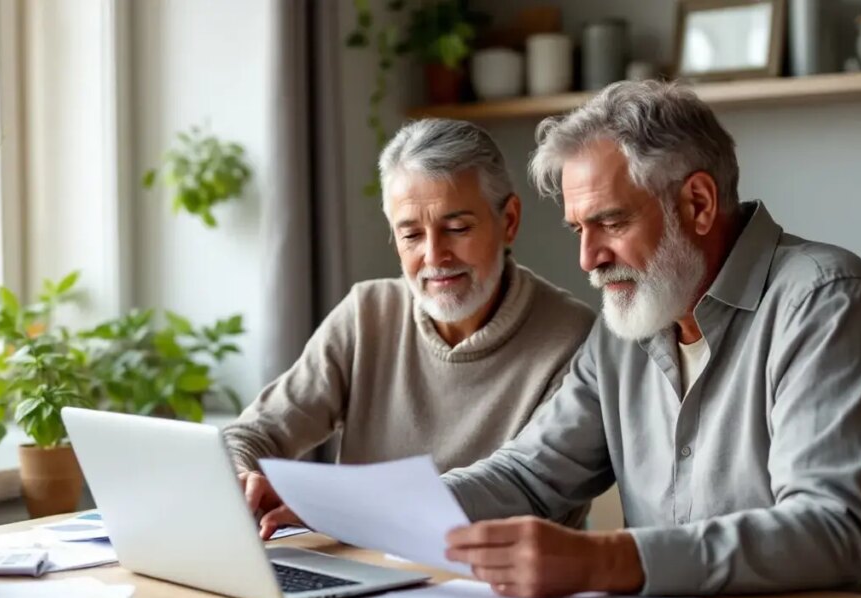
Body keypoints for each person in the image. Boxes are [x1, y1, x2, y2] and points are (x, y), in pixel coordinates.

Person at [441, 80, 861, 598]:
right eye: (578, 230)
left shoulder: (826, 299)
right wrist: (401, 506)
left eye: (611, 222)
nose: (588, 259)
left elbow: (828, 529)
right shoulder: (627, 325)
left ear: (698, 203)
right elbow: (528, 475)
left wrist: (604, 560)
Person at [227, 119, 595, 537]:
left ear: (508, 220)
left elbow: (533, 496)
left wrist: (338, 505)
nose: (434, 256)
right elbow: (254, 433)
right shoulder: (367, 314)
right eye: (411, 235)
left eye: (457, 229)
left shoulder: (573, 338)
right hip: (358, 563)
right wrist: (241, 477)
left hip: (486, 572)